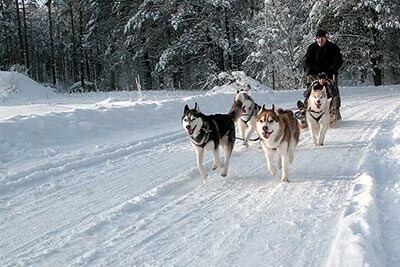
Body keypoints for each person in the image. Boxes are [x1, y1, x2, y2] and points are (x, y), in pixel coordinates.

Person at [303, 29, 343, 121]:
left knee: (333, 91)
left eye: (322, 38)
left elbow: (339, 61)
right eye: (318, 39)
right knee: (312, 90)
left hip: (329, 73)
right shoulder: (312, 48)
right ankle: (308, 108)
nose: (320, 40)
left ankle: (335, 110)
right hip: (315, 74)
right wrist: (309, 71)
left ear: (325, 38)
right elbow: (307, 61)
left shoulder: (333, 47)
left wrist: (331, 70)